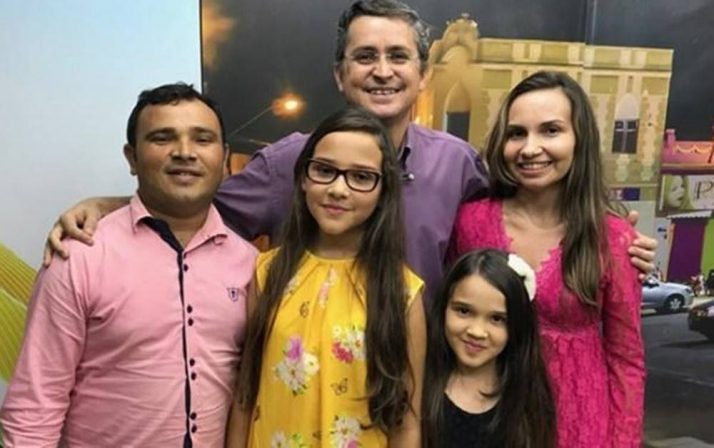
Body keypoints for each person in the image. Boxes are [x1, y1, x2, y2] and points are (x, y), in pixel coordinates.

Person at [42, 0, 657, 302]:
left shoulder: (457, 164)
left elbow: (527, 209)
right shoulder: (289, 162)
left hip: (427, 382)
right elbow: (193, 212)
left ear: (422, 76)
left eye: (398, 57)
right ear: (340, 74)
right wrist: (110, 204)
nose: (382, 71)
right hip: (310, 374)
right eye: (365, 57)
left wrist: (612, 232)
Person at [0, 83, 258, 447]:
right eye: (162, 138)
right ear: (132, 158)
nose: (185, 152)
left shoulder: (249, 265)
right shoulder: (80, 256)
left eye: (203, 139)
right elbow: (35, 404)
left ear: (224, 157)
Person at [451, 71, 645, 447]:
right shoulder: (472, 222)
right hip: (488, 423)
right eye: (517, 133)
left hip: (579, 425)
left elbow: (627, 360)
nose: (529, 148)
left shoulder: (612, 238)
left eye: (550, 131)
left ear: (579, 139)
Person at [226, 106, 426, 447]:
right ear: (304, 178)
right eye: (324, 170)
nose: (338, 189)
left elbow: (406, 422)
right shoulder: (267, 273)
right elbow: (245, 394)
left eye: (361, 177)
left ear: (383, 191)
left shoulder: (403, 292)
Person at [422, 249, 555, 448]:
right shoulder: (420, 384)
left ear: (518, 325)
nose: (477, 331)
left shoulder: (527, 400)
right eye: (464, 311)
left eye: (496, 319)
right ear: (443, 308)